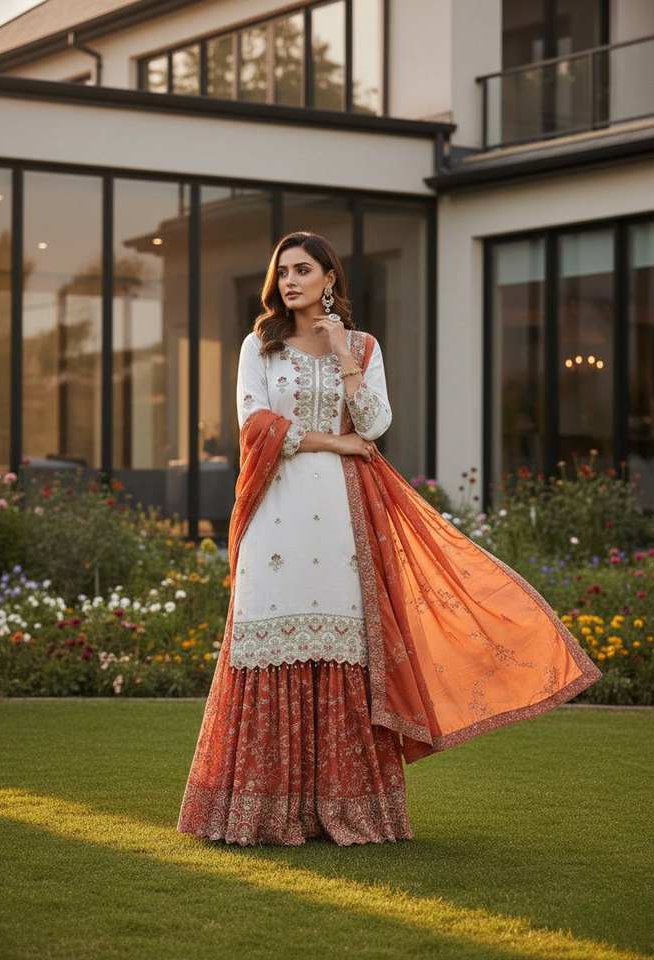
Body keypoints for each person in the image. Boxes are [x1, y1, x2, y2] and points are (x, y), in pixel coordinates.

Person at [177, 231, 602, 848]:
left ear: (329, 278)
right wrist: (337, 441)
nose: (290, 281)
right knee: (269, 640)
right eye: (283, 271)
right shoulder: (259, 344)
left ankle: (346, 809)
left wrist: (343, 356)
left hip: (344, 515)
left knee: (344, 649)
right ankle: (266, 812)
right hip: (277, 512)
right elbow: (256, 423)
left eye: (303, 270)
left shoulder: (364, 346)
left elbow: (376, 424)